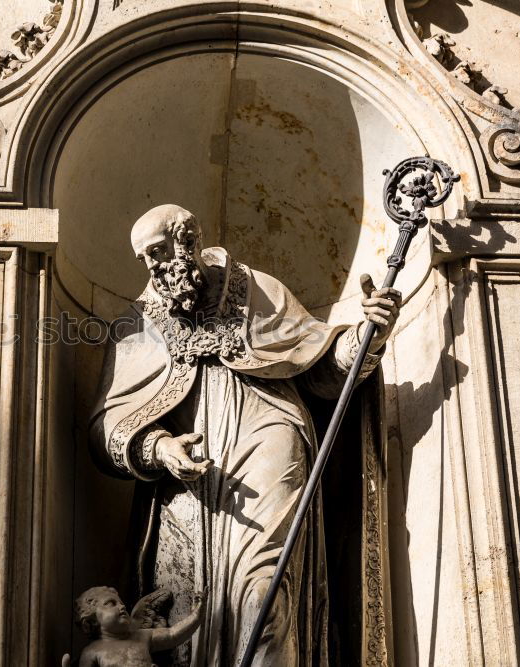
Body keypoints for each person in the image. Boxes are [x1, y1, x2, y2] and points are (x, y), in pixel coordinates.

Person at [89, 204, 401, 665]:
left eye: (158, 251)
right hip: (189, 479)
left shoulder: (260, 292)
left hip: (270, 441)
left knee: (264, 591)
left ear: (187, 239)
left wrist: (366, 336)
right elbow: (105, 427)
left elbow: (321, 370)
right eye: (144, 259)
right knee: (185, 605)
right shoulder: (139, 321)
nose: (153, 266)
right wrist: (158, 447)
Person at [64, 586, 203, 667]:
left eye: (121, 603)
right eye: (111, 603)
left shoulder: (142, 636)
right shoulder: (92, 652)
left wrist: (196, 616)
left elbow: (172, 634)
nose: (122, 606)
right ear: (91, 621)